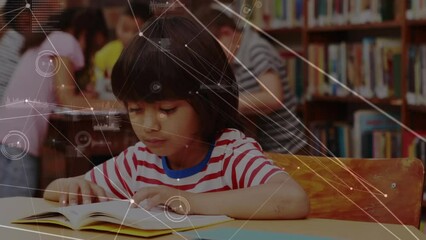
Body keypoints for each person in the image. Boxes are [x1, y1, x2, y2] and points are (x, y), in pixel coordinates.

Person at [43, 16, 309, 219]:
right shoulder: (139, 161)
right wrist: (70, 185)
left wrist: (188, 200)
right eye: (135, 110)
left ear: (206, 102)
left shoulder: (230, 153)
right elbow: (53, 192)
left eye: (167, 110)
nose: (149, 126)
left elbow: (293, 199)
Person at [0, 8, 121, 198]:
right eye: (94, 47)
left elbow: (52, 92)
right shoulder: (65, 41)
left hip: (7, 132)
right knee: (15, 209)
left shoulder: (44, 41)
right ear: (85, 33)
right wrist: (120, 105)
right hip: (21, 140)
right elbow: (68, 100)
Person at [195, 7, 307, 154]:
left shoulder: (257, 49)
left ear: (227, 33)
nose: (213, 57)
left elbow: (273, 97)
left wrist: (228, 103)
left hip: (287, 148)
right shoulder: (232, 57)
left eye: (213, 50)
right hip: (262, 148)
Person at [93, 1, 152, 100]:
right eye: (125, 29)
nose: (129, 36)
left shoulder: (152, 54)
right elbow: (97, 84)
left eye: (136, 31)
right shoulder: (105, 53)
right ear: (117, 25)